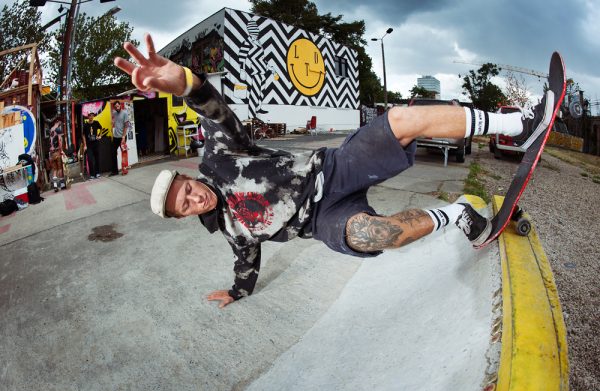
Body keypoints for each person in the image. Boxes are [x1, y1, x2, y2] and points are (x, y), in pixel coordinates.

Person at [114, 34, 553, 309]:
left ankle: (519, 126)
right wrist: (237, 292)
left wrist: (187, 83)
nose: (196, 200)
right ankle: (460, 214)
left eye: (188, 191)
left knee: (400, 119)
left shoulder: (218, 158)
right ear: (185, 216)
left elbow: (215, 112)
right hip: (322, 221)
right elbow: (245, 263)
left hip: (332, 170)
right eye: (186, 207)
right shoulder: (234, 232)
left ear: (191, 179)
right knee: (376, 236)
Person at [110, 100, 129, 176]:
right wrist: (112, 122)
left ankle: (124, 170)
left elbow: (126, 125)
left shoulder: (125, 113)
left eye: (118, 106)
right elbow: (113, 116)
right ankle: (115, 171)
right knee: (113, 153)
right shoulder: (114, 113)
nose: (117, 107)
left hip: (122, 137)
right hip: (115, 137)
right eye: (115, 107)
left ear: (120, 105)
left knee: (123, 154)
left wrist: (124, 136)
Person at [82, 112, 103, 179]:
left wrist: (100, 136)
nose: (91, 117)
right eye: (89, 116)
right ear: (88, 117)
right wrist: (85, 145)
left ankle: (97, 173)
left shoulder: (96, 122)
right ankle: (92, 174)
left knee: (97, 159)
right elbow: (83, 135)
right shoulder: (85, 125)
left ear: (93, 116)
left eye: (92, 115)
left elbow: (101, 128)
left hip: (96, 143)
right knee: (90, 159)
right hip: (89, 145)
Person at [48, 118, 65, 192]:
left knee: (54, 170)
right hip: (57, 151)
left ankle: (55, 186)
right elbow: (60, 141)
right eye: (60, 122)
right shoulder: (58, 130)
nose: (60, 124)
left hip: (51, 153)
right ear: (57, 122)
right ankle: (62, 185)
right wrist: (62, 151)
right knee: (60, 168)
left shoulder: (51, 130)